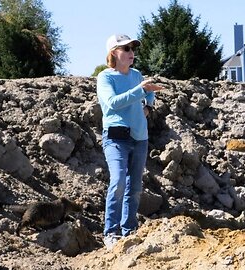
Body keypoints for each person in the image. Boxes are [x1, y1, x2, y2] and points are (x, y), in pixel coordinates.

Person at [97, 34, 163, 249]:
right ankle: (111, 232)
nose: (131, 52)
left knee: (134, 187)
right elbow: (114, 103)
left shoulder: (136, 75)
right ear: (113, 53)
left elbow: (147, 93)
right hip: (116, 138)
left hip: (139, 137)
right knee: (118, 182)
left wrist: (148, 106)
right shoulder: (106, 77)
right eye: (125, 48)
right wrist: (141, 90)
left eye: (132, 48)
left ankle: (129, 230)